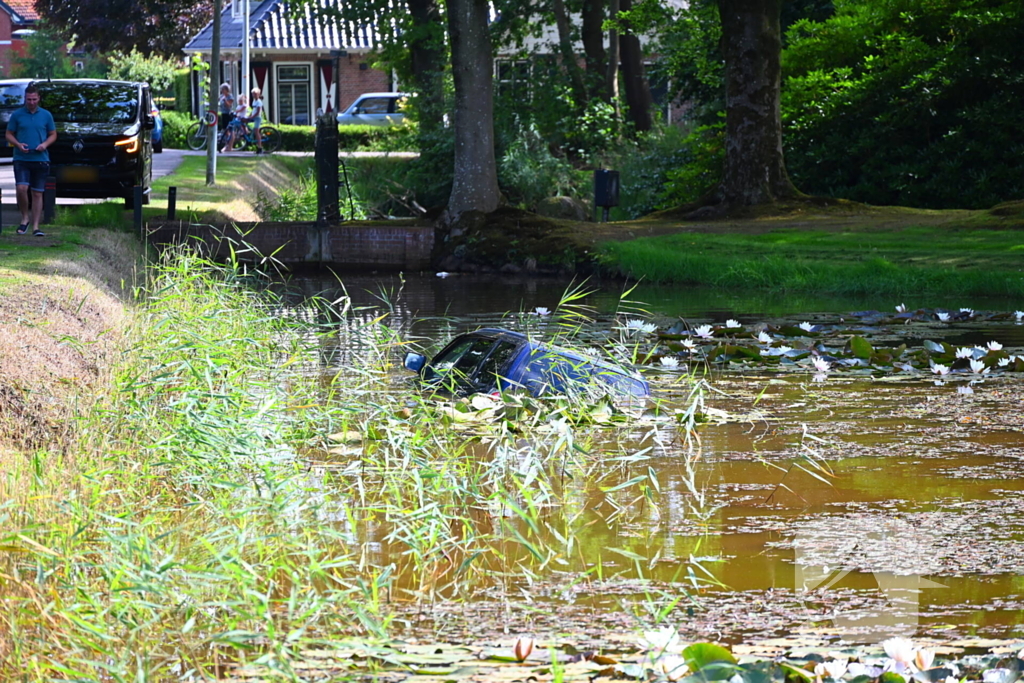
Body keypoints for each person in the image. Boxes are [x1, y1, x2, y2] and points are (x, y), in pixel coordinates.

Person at [5, 84, 56, 237]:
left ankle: (36, 226)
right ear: (25, 99)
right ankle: (24, 218)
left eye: (34, 99)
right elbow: (8, 134)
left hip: (40, 158)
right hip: (22, 158)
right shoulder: (17, 115)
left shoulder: (46, 115)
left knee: (37, 193)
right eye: (29, 100)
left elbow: (53, 134)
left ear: (38, 98)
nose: (32, 102)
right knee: (21, 189)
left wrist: (44, 144)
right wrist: (18, 144)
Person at [249, 87, 264, 154]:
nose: (253, 95)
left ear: (258, 94)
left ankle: (260, 147)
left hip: (257, 118)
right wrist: (249, 116)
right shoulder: (254, 101)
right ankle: (249, 134)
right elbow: (253, 110)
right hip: (254, 116)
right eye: (253, 94)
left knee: (256, 131)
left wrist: (252, 116)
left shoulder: (259, 102)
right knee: (243, 121)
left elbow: (258, 112)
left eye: (255, 94)